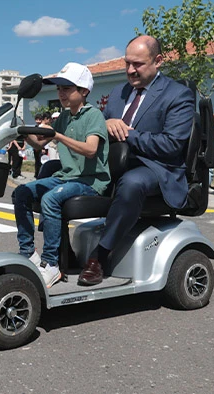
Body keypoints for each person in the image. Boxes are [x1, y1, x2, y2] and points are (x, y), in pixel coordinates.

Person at [78, 35, 194, 286]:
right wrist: (105, 123)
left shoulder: (178, 95)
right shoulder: (118, 93)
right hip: (115, 164)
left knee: (132, 183)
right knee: (55, 171)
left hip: (156, 168)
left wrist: (127, 133)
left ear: (158, 61)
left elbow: (171, 145)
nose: (130, 70)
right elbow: (99, 128)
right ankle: (55, 254)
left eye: (138, 64)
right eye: (127, 63)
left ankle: (100, 257)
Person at [14, 62, 110, 288]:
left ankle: (51, 264)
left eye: (67, 88)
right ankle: (28, 253)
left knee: (50, 198)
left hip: (90, 181)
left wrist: (57, 135)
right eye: (58, 89)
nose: (61, 93)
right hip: (66, 177)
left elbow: (91, 150)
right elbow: (39, 144)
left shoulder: (93, 115)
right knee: (21, 192)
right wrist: (22, 130)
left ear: (84, 91)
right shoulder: (64, 117)